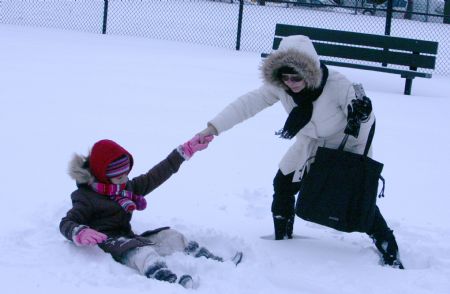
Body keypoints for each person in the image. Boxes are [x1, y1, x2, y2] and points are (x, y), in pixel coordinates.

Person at [198, 35, 402, 268]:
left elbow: (361, 110)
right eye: (285, 77)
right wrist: (212, 128)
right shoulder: (280, 88)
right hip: (310, 142)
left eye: (296, 77)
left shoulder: (337, 84)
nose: (291, 83)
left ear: (309, 72)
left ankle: (388, 245)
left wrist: (361, 113)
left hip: (344, 144)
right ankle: (282, 239)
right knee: (283, 183)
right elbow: (247, 104)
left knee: (354, 197)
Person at [60, 137, 243, 288]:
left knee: (171, 236)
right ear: (102, 174)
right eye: (118, 176)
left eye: (126, 174)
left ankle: (212, 260)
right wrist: (79, 232)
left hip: (128, 238)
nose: (124, 179)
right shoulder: (85, 198)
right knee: (143, 254)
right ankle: (169, 281)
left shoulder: (125, 188)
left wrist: (183, 152)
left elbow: (155, 175)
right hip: (110, 244)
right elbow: (67, 222)